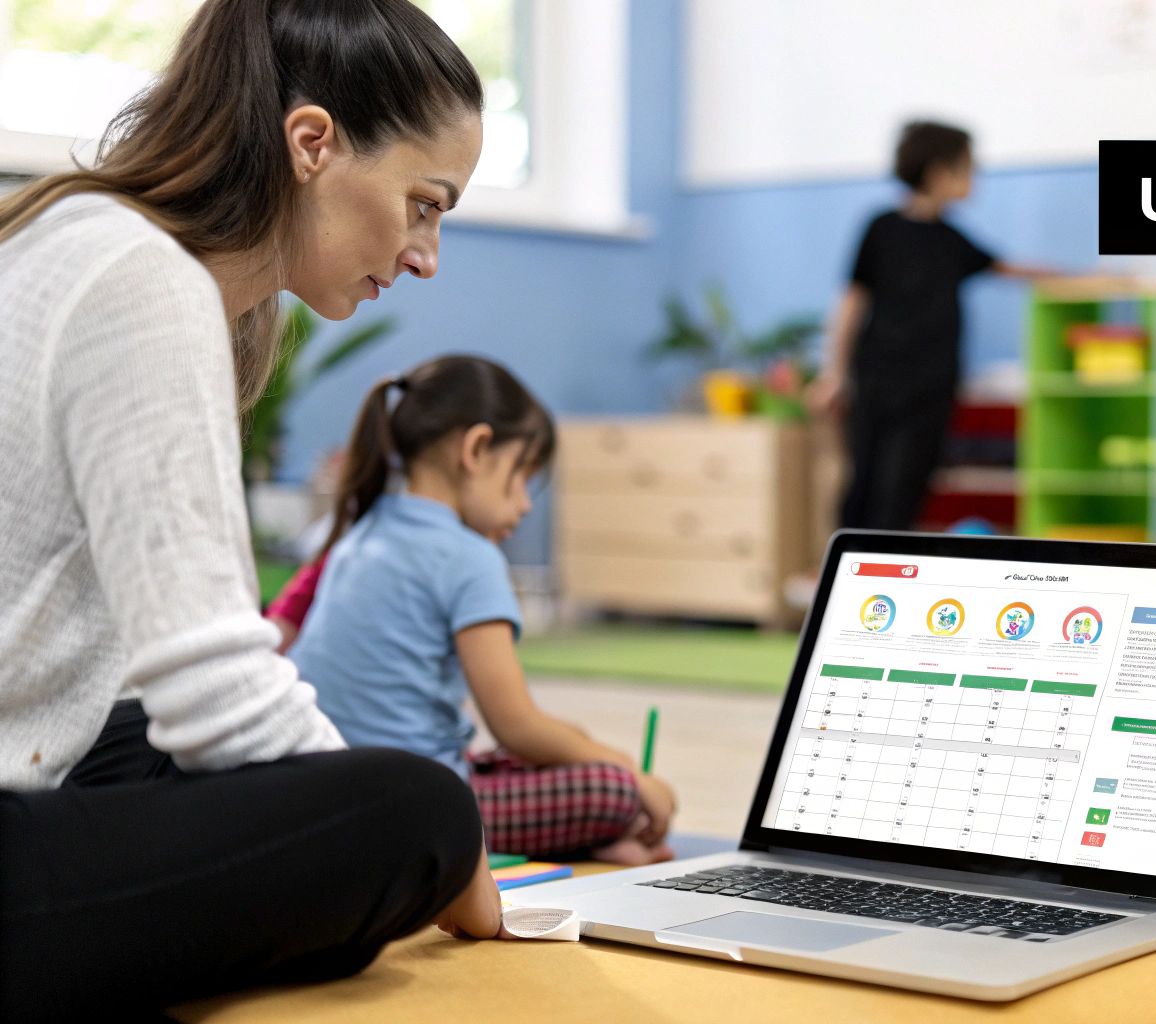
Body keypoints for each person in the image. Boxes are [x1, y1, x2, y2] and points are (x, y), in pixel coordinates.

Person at [0, 2, 510, 1017]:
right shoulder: (144, 280)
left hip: (35, 753)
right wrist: (454, 868)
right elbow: (211, 679)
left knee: (150, 736)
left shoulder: (74, 236)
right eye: (424, 202)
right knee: (418, 809)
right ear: (312, 142)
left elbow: (151, 687)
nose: (425, 255)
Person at [287, 355, 679, 864]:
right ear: (475, 450)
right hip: (411, 800)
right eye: (521, 477)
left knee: (556, 750)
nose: (525, 504)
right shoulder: (470, 557)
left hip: (324, 787)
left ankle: (593, 841)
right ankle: (599, 830)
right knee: (610, 790)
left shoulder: (364, 530)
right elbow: (514, 724)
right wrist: (627, 769)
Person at [806, 120, 1053, 531]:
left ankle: (887, 579)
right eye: (969, 169)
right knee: (862, 481)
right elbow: (850, 301)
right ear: (940, 173)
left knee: (905, 488)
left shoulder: (951, 240)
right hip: (875, 380)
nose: (975, 179)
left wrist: (1088, 277)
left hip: (932, 387)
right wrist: (833, 373)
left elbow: (1011, 268)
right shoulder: (881, 228)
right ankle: (842, 573)